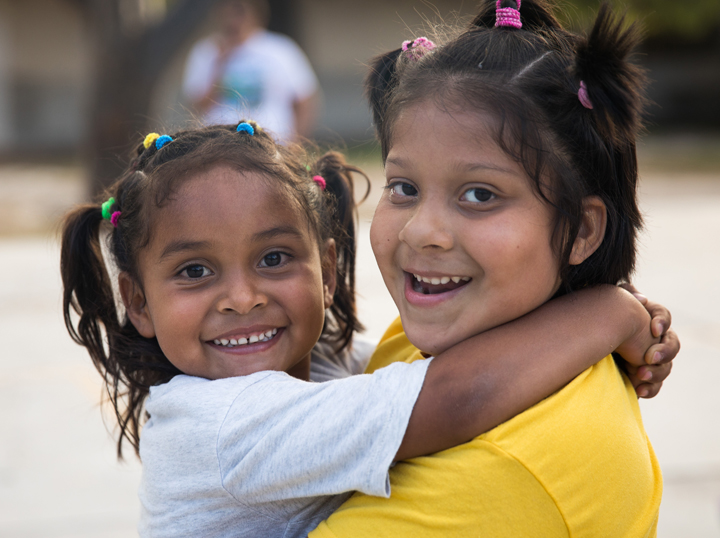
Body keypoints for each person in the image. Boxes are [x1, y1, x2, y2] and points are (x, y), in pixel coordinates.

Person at [59, 121, 674, 537]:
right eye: (195, 272)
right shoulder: (222, 425)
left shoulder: (323, 358)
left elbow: (447, 361)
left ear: (327, 272)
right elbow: (459, 394)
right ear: (138, 303)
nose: (243, 298)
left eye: (274, 258)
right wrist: (611, 314)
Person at [310, 1, 672, 536]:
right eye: (403, 188)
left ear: (582, 231)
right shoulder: (456, 333)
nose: (420, 232)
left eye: (480, 195)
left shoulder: (509, 468)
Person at [182, 0, 319, 140]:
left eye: (239, 11)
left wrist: (296, 143)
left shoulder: (281, 49)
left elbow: (305, 101)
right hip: (219, 143)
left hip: (272, 143)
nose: (234, 20)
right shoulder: (206, 51)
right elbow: (197, 106)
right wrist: (220, 65)